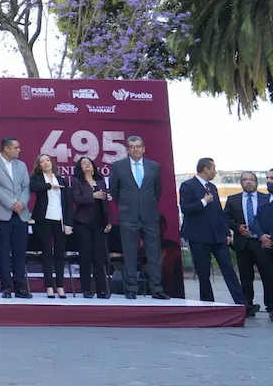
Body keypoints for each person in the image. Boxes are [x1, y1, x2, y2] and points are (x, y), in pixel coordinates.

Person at [110, 135, 169, 299]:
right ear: (127, 150)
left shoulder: (154, 167)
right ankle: (131, 289)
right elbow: (114, 191)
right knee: (129, 254)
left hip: (150, 216)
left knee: (154, 254)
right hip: (128, 216)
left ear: (143, 148)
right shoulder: (118, 167)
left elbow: (157, 191)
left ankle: (156, 289)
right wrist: (126, 205)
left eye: (138, 146)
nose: (135, 149)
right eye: (132, 147)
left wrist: (146, 204)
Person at [178, 157, 243, 305]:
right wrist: (203, 202)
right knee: (203, 273)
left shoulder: (212, 187)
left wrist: (226, 233)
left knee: (229, 270)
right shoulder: (187, 186)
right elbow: (185, 208)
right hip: (198, 237)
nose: (215, 171)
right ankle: (208, 305)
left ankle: (242, 304)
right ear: (206, 169)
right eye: (213, 168)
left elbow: (219, 212)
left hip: (218, 236)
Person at [0, 137, 31, 298]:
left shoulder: (22, 165)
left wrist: (22, 203)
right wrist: (12, 203)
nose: (19, 150)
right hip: (3, 213)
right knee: (3, 251)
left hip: (21, 214)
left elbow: (26, 187)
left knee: (19, 252)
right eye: (16, 147)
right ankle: (6, 286)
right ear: (6, 148)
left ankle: (20, 287)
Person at [224, 171, 273, 317]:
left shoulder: (266, 198)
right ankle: (247, 306)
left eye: (252, 180)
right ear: (241, 183)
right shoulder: (233, 199)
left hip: (262, 243)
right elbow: (225, 218)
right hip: (243, 243)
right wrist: (237, 227)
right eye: (245, 180)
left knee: (268, 276)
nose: (249, 182)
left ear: (257, 182)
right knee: (246, 277)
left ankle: (270, 306)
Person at [29, 154, 72, 298]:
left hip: (59, 220)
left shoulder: (61, 179)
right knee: (47, 253)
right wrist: (49, 186)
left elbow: (68, 204)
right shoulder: (37, 178)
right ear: (39, 165)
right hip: (44, 220)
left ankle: (60, 285)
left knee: (60, 254)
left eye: (47, 160)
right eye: (42, 161)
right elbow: (33, 187)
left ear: (52, 163)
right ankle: (49, 286)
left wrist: (68, 223)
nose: (45, 163)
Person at [68, 156, 113, 299]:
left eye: (89, 163)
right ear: (80, 168)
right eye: (83, 163)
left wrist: (109, 220)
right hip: (83, 223)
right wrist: (93, 195)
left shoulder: (100, 182)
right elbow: (77, 199)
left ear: (93, 167)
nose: (86, 165)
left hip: (99, 223)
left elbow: (106, 204)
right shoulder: (76, 181)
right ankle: (86, 289)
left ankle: (102, 290)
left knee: (99, 258)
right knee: (86, 257)